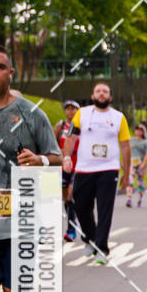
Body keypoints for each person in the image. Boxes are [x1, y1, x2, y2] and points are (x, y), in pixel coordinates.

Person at [0, 43, 62, 292]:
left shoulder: (31, 114)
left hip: (21, 222)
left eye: (0, 66)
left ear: (11, 72)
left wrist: (39, 160)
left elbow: (58, 158)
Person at [62, 81, 130, 265]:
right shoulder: (82, 114)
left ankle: (101, 249)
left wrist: (127, 172)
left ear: (110, 97)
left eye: (105, 91)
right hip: (85, 168)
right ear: (92, 96)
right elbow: (71, 137)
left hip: (109, 169)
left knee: (104, 209)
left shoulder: (118, 117)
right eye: (98, 91)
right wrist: (67, 157)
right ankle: (90, 239)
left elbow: (125, 146)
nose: (101, 93)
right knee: (81, 206)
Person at [54, 99, 80, 241]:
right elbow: (52, 144)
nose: (70, 111)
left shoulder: (81, 126)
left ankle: (71, 229)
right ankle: (72, 223)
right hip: (63, 166)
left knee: (70, 194)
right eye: (68, 108)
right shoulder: (60, 126)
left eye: (73, 108)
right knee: (66, 198)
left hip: (78, 166)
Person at [126, 124, 147, 208]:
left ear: (143, 132)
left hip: (141, 164)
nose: (138, 131)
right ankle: (129, 199)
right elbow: (127, 151)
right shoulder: (131, 140)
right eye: (137, 130)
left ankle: (140, 199)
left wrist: (143, 163)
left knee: (140, 183)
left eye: (140, 130)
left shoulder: (145, 142)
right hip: (132, 163)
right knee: (130, 181)